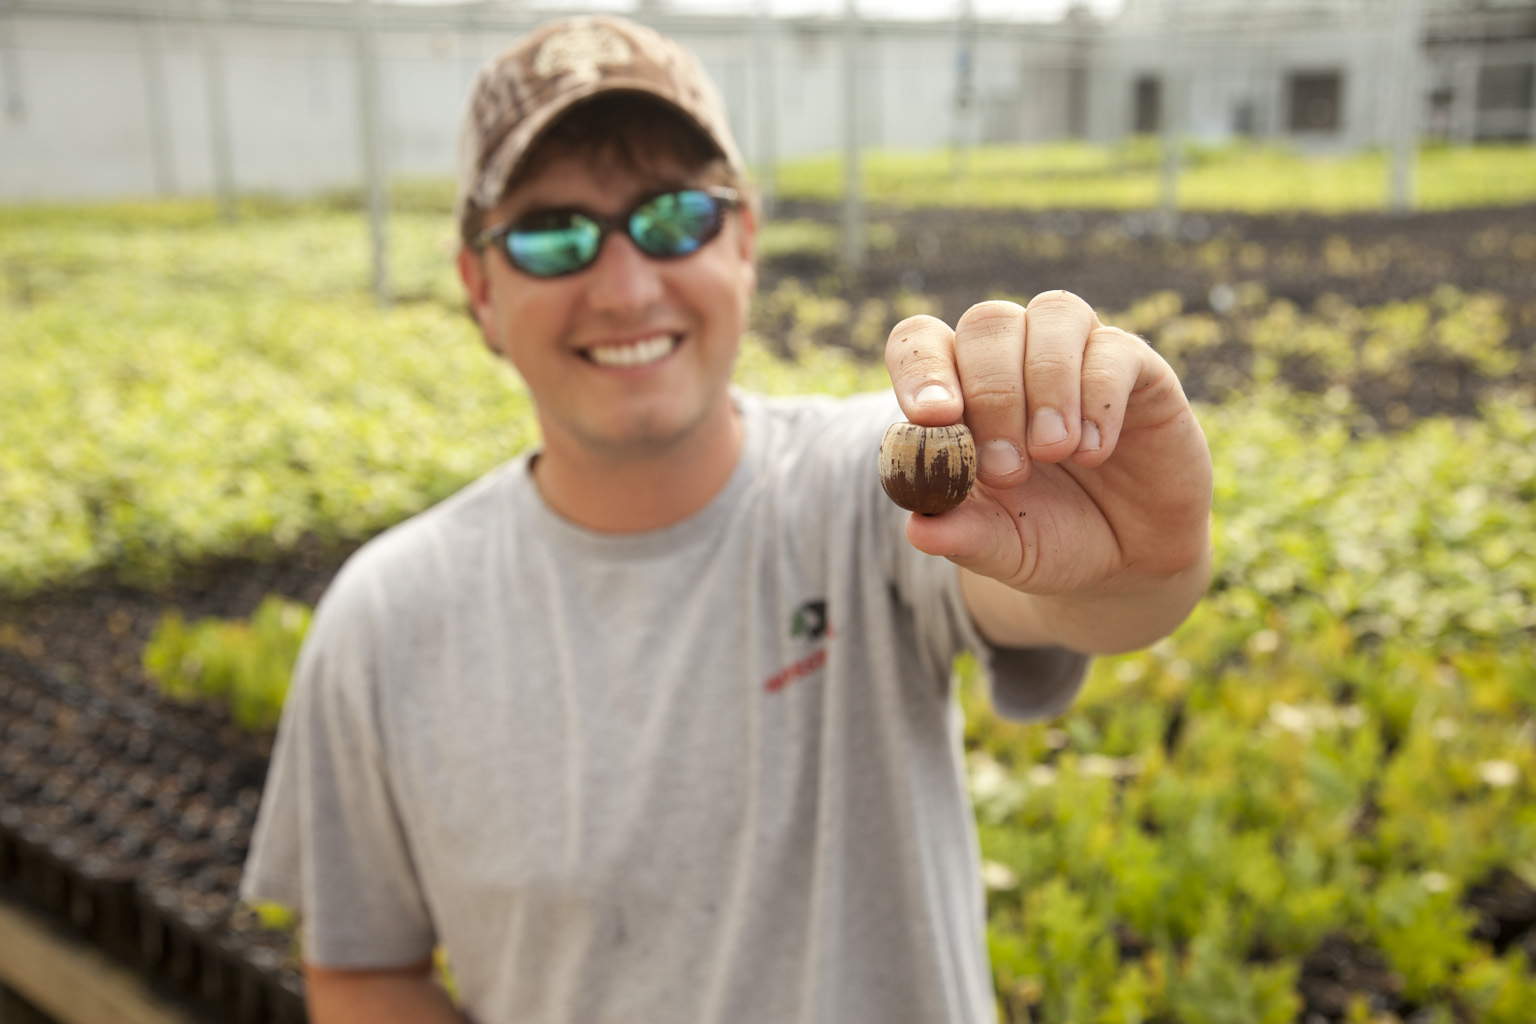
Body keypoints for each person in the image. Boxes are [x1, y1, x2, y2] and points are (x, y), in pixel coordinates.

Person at [241, 14, 1214, 1024]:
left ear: (743, 240)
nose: (624, 286)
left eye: (673, 219)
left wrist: (1143, 554)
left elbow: (1081, 597)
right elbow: (363, 969)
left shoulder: (854, 491)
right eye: (551, 235)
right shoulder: (385, 618)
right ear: (480, 289)